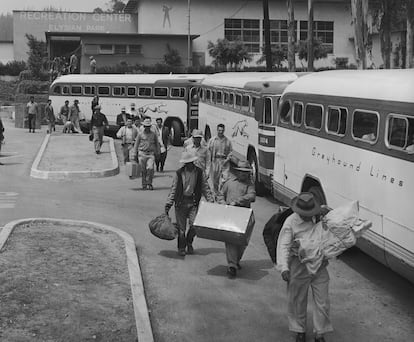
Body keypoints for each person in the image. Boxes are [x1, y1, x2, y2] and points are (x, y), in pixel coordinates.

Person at [277, 192, 333, 342]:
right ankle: (299, 330)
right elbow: (284, 245)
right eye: (305, 214)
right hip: (299, 265)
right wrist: (284, 268)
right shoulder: (290, 223)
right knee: (297, 299)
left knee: (323, 300)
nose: (308, 216)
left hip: (320, 264)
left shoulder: (320, 216)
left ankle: (319, 333)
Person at [165, 150, 214, 256]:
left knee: (194, 226)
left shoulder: (199, 173)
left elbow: (205, 187)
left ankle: (189, 241)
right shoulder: (179, 173)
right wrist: (169, 203)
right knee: (181, 229)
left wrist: (210, 200)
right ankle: (181, 247)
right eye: (187, 163)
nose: (189, 165)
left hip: (193, 202)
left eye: (190, 163)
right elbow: (174, 188)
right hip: (181, 203)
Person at [217, 160, 256, 278]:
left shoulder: (249, 185)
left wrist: (238, 201)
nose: (243, 174)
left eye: (245, 172)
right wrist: (223, 203)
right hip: (230, 214)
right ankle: (232, 265)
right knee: (230, 240)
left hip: (244, 215)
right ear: (237, 172)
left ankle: (236, 260)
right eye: (241, 172)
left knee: (242, 241)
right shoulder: (229, 183)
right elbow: (220, 195)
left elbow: (252, 196)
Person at [131, 118, 160, 190]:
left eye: (148, 126)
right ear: (144, 127)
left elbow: (157, 143)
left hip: (151, 154)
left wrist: (158, 152)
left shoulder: (153, 134)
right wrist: (134, 154)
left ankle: (149, 183)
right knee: (143, 170)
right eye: (146, 126)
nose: (147, 128)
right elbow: (136, 145)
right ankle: (144, 184)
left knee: (150, 168)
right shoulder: (140, 134)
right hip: (142, 153)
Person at [208, 123, 233, 195]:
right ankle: (215, 192)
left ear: (224, 130)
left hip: (225, 161)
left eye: (222, 130)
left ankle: (222, 192)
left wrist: (227, 159)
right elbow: (208, 151)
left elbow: (231, 152)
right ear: (217, 130)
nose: (220, 132)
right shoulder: (212, 140)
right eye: (219, 130)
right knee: (215, 179)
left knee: (225, 178)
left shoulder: (227, 141)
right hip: (215, 161)